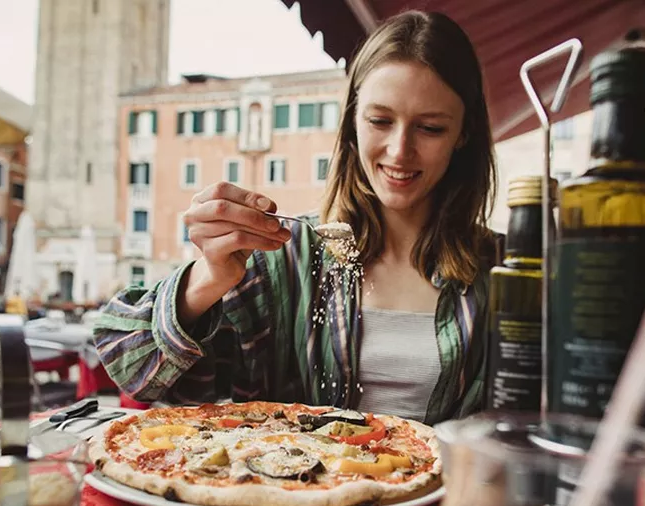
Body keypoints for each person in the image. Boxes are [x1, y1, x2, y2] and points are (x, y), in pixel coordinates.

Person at [94, 10, 497, 425]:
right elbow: (131, 368)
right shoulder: (284, 255)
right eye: (380, 121)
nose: (399, 150)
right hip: (293, 486)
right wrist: (207, 277)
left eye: (430, 128)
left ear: (463, 134)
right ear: (353, 123)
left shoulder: (505, 270)